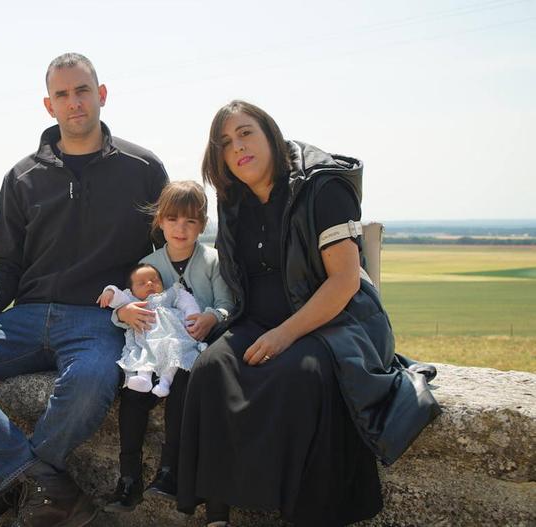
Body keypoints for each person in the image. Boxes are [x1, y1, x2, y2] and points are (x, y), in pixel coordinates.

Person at [0, 52, 168, 527]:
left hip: (98, 319)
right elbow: (4, 264)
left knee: (90, 382)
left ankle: (1, 491)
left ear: (101, 95)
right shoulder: (23, 176)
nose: (74, 102)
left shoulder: (143, 169)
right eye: (62, 94)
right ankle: (44, 488)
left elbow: (167, 255)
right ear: (49, 106)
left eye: (83, 90)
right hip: (25, 317)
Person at [176, 100, 440, 527]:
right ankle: (217, 512)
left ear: (271, 135)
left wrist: (284, 335)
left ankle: (308, 514)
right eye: (225, 143)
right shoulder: (234, 199)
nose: (237, 147)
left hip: (333, 321)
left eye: (246, 133)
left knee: (300, 376)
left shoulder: (321, 187)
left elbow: (344, 281)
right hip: (256, 320)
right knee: (210, 368)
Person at [101, 181, 234, 513]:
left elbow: (226, 304)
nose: (181, 228)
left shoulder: (214, 260)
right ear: (160, 221)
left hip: (194, 348)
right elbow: (128, 303)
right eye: (173, 219)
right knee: (132, 395)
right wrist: (122, 311)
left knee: (184, 387)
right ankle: (129, 478)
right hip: (153, 349)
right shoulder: (148, 263)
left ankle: (169, 470)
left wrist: (211, 317)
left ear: (202, 225)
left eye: (190, 221)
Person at [98, 263, 207, 397]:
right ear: (131, 290)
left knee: (174, 351)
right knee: (144, 353)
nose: (149, 283)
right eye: (141, 283)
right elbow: (118, 297)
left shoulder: (168, 295)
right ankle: (144, 379)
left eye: (155, 280)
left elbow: (186, 301)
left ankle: (165, 383)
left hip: (171, 336)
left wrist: (191, 317)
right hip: (147, 341)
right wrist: (110, 291)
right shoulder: (133, 302)